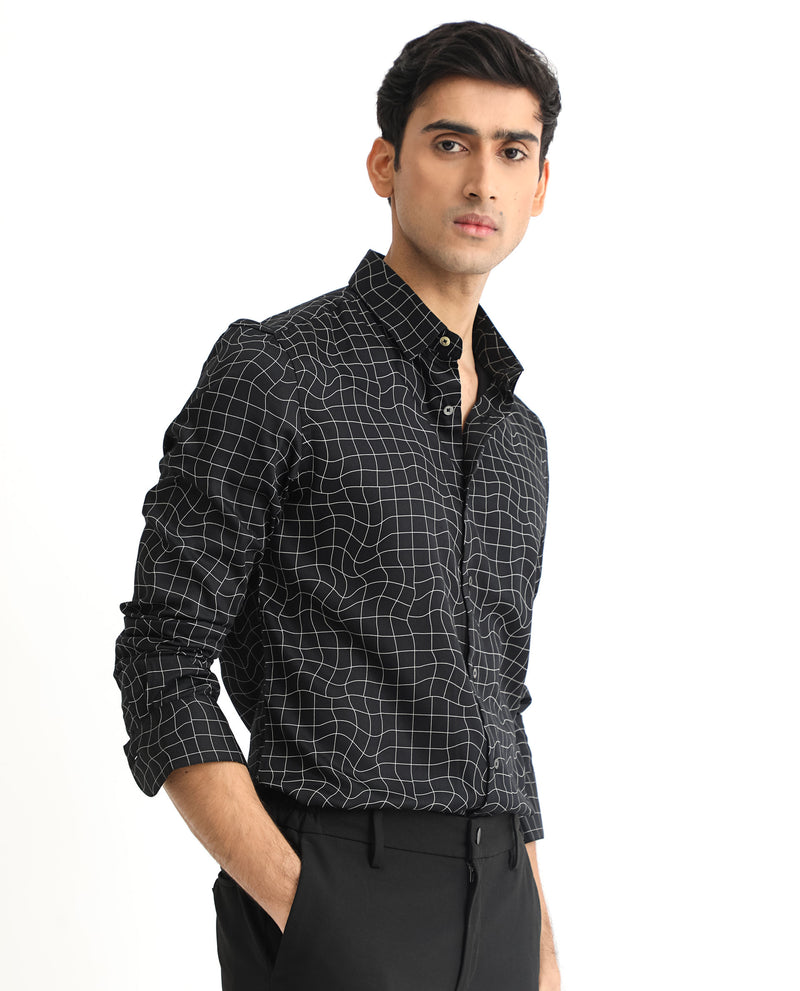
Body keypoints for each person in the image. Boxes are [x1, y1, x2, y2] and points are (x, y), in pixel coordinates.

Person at [114, 19, 562, 991]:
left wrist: (539, 941)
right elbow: (161, 656)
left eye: (511, 151)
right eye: (450, 143)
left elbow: (501, 697)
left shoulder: (519, 436)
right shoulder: (278, 370)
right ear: (384, 164)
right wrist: (300, 900)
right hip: (336, 883)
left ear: (539, 187)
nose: (481, 181)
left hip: (501, 902)